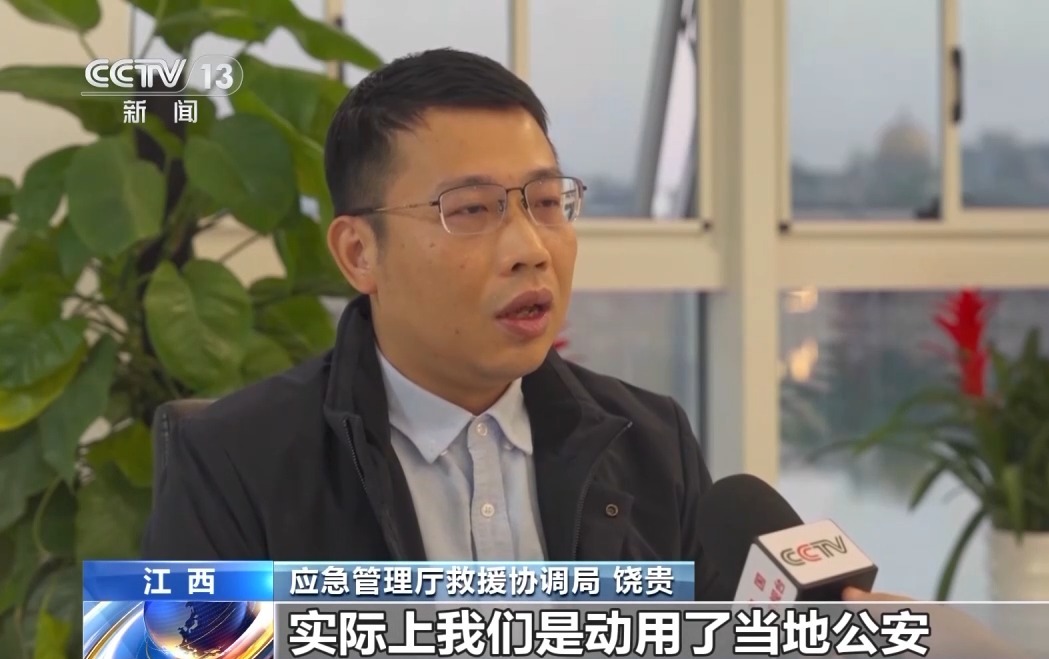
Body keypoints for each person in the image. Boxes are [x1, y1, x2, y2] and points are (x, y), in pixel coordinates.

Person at [142, 47, 732, 599]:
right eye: (471, 209)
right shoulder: (230, 465)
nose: (530, 250)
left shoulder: (653, 443)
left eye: (547, 203)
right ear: (359, 253)